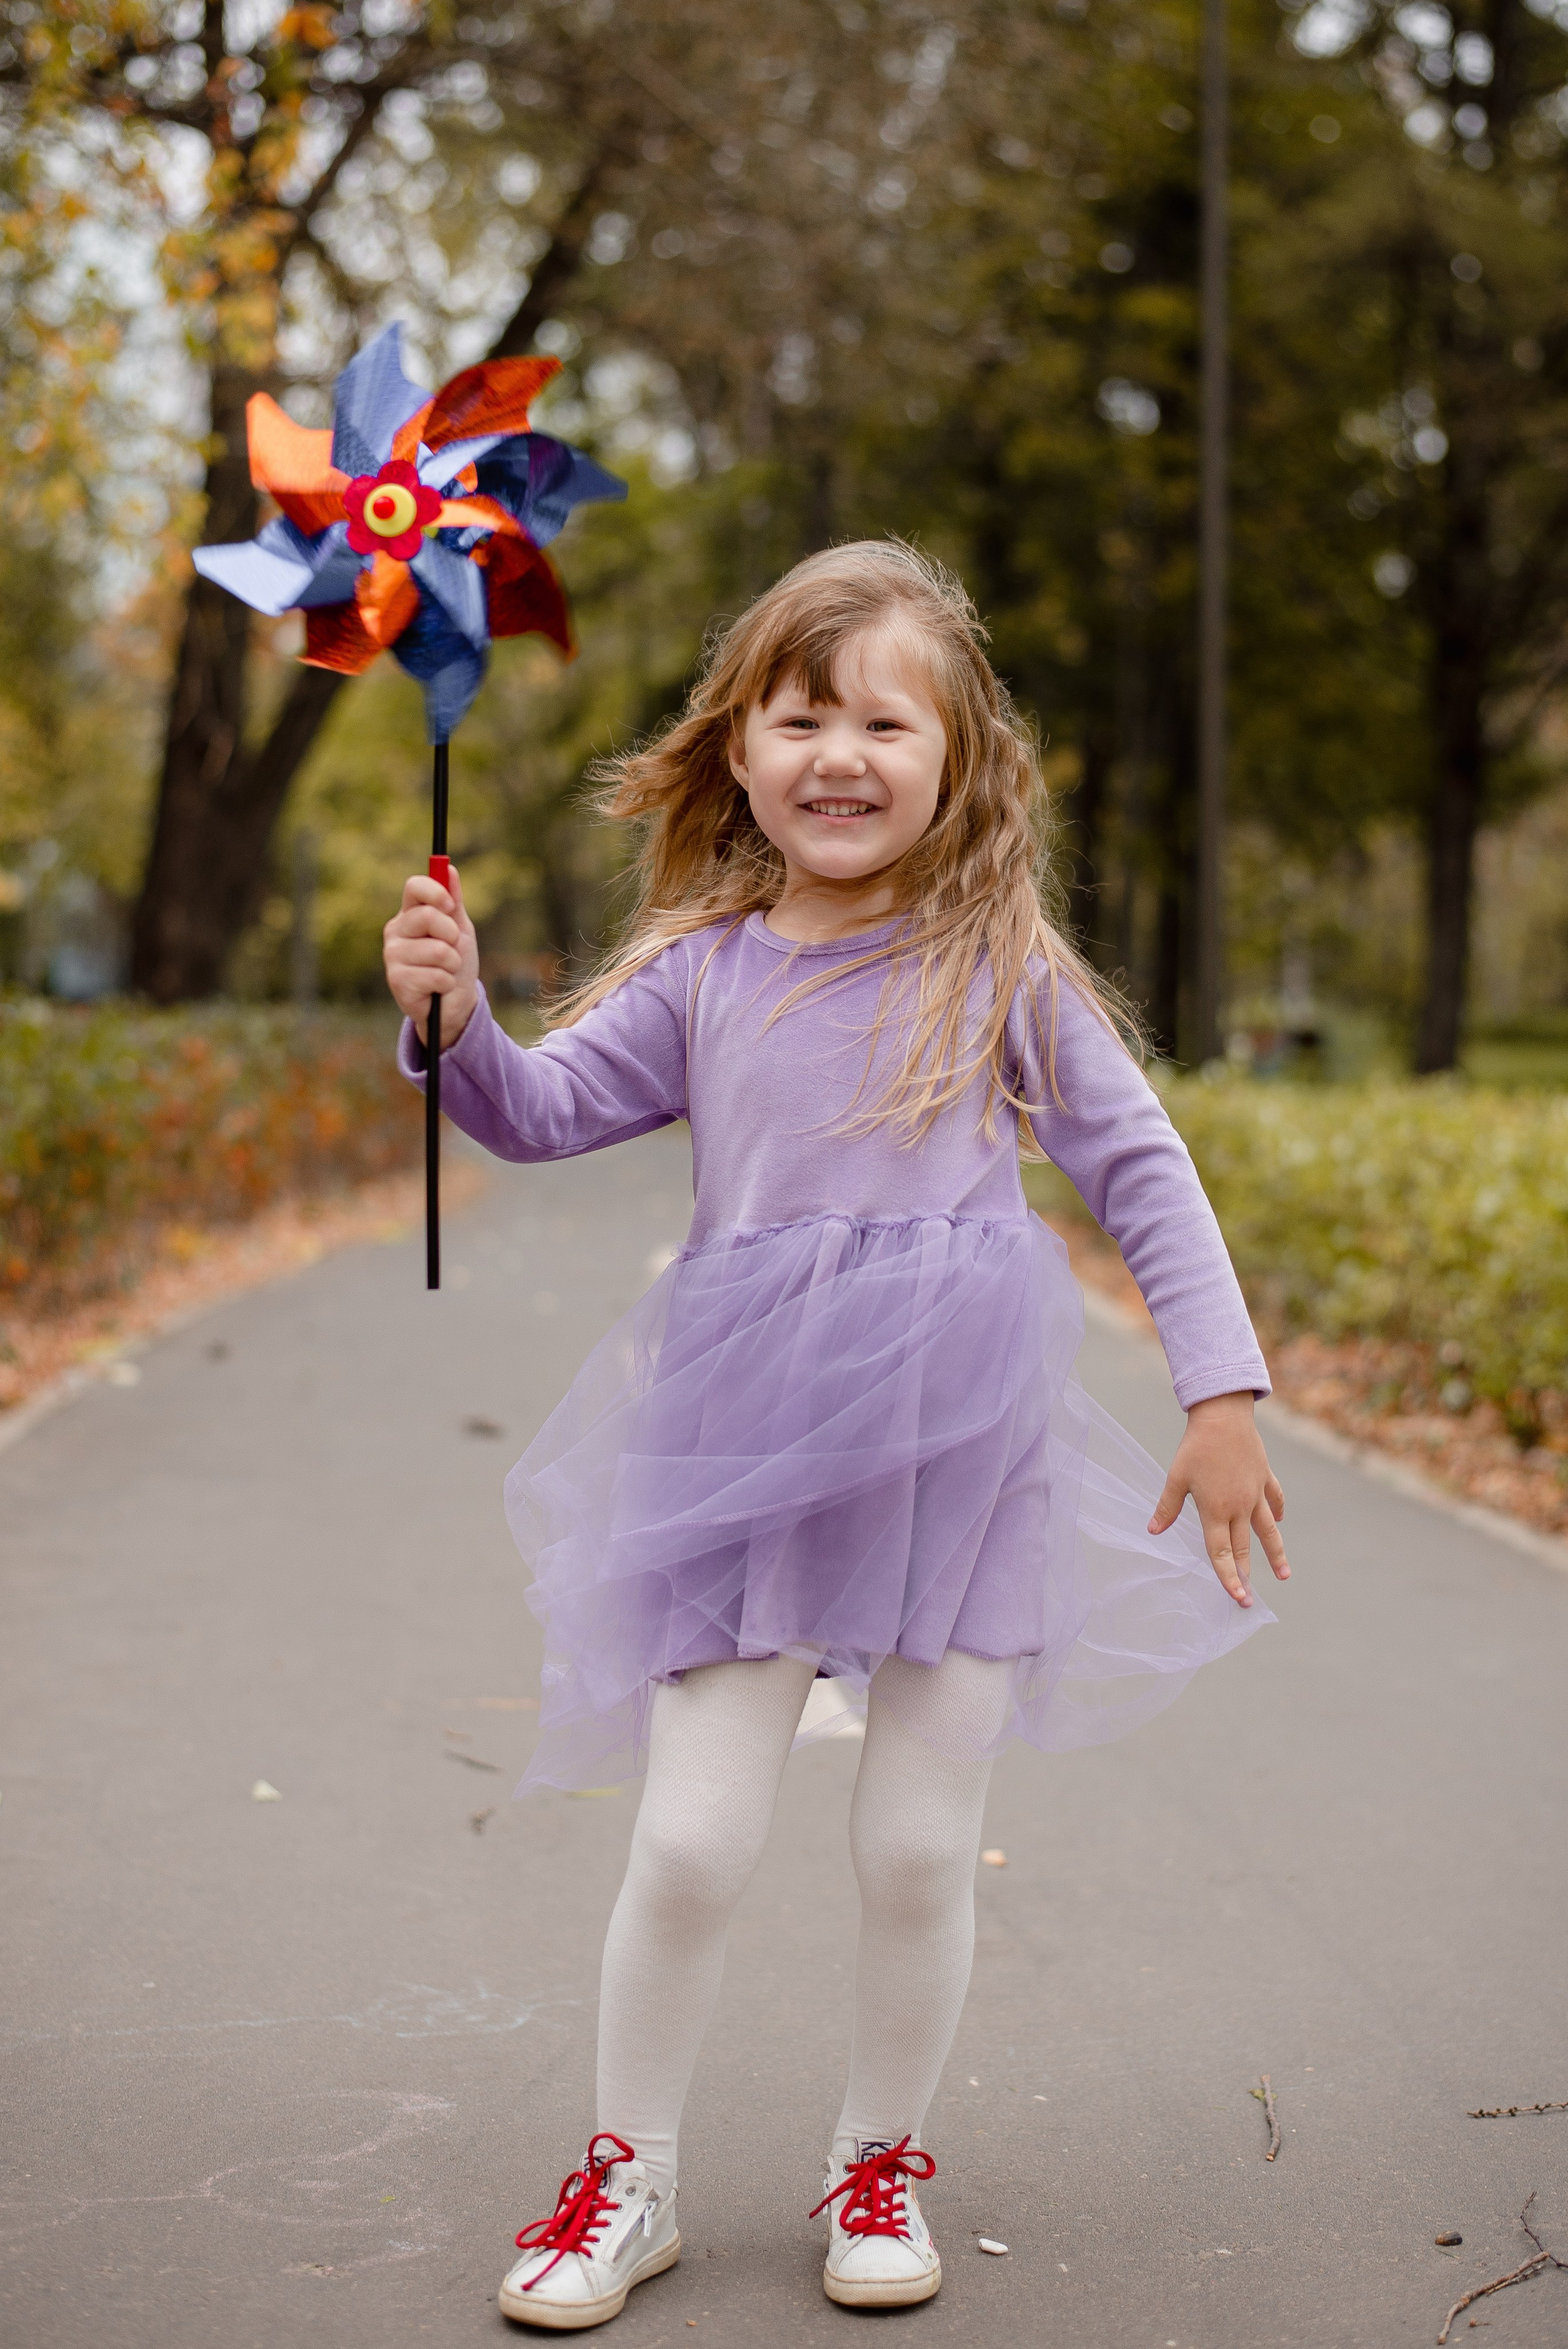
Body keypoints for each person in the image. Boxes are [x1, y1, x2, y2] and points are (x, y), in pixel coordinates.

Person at [382, 541, 1289, 2332]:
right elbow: (543, 1110)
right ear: (740, 748)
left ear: (960, 759)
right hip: (747, 1453)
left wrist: (1224, 1385)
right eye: (800, 715)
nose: (841, 752)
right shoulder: (706, 971)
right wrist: (455, 1019)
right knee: (696, 1838)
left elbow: (1140, 1166)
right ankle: (627, 2170)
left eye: (887, 717)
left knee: (917, 1845)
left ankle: (878, 2156)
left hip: (962, 1453)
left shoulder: (999, 964)